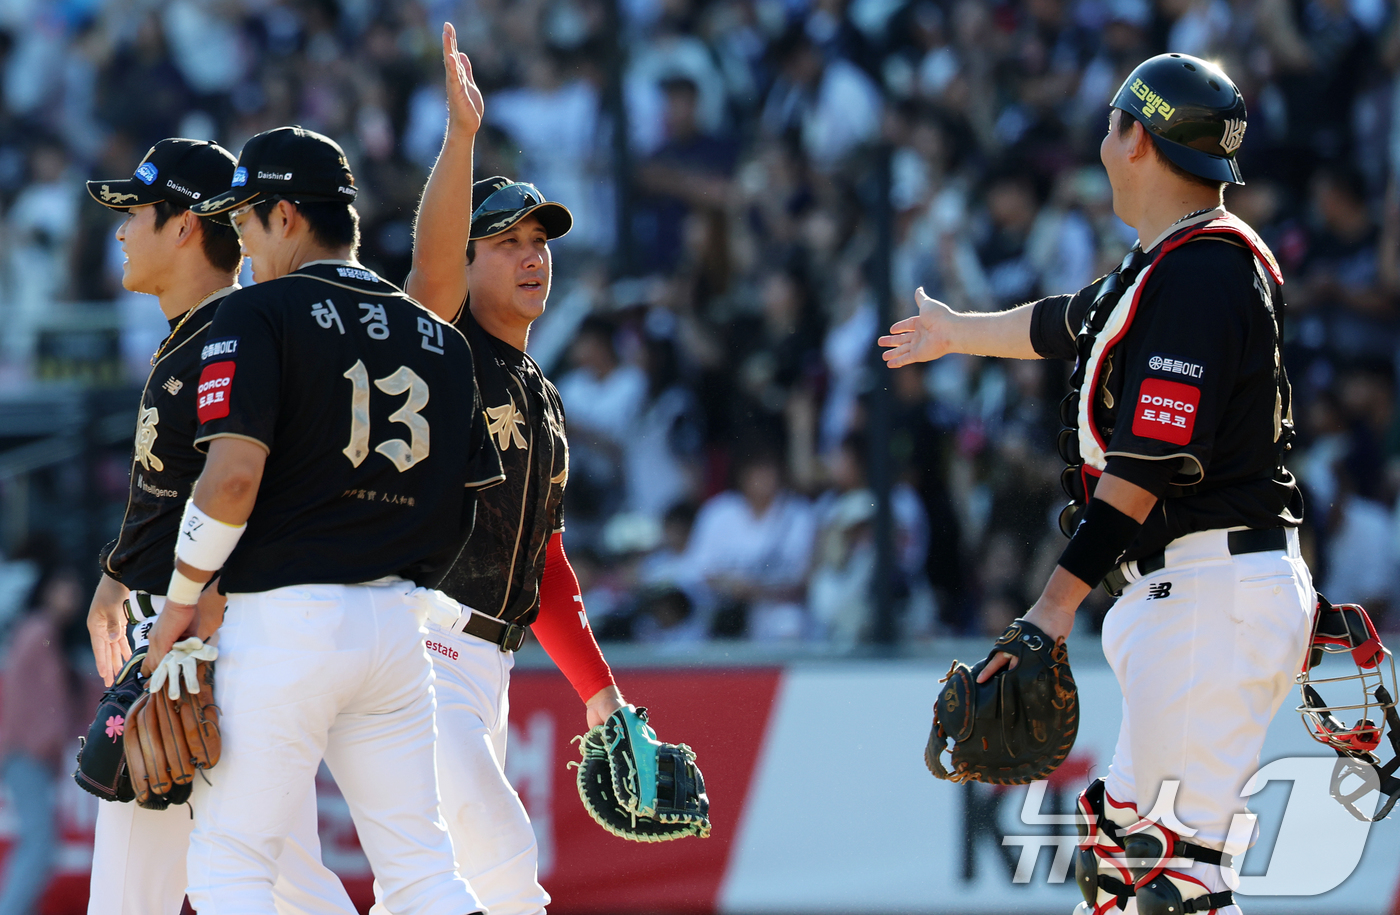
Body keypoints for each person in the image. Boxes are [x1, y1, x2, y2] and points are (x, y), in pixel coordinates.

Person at [880, 54, 1312, 915]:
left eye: (1113, 123)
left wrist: (1050, 608)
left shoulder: (1201, 271)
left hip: (1208, 592)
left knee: (1171, 879)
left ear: (1137, 139)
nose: (1103, 142)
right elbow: (1065, 321)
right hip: (1199, 593)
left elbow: (1144, 468)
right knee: (1120, 873)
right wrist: (957, 332)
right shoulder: (1175, 259)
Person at [164, 124, 502, 915]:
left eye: (245, 220)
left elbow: (232, 478)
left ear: (285, 215)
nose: (242, 242)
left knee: (229, 865)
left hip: (285, 619)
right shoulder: (440, 339)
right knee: (423, 873)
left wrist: (182, 597)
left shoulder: (258, 310)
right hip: (396, 624)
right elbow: (469, 503)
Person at [380, 23, 627, 915]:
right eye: (507, 242)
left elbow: (546, 564)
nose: (532, 256)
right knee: (506, 866)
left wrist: (599, 692)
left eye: (540, 241)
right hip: (423, 646)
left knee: (428, 888)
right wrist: (461, 139)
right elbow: (429, 268)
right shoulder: (442, 349)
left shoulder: (544, 398)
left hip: (488, 668)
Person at [81, 137, 358, 915]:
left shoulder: (235, 336)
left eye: (136, 212)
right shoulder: (203, 333)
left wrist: (198, 627)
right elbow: (176, 487)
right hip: (204, 638)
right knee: (289, 884)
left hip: (202, 643)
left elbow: (252, 491)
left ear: (183, 226)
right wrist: (117, 571)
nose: (121, 230)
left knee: (141, 896)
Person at [0, 567, 80, 915]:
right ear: (48, 590)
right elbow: (18, 690)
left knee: (38, 842)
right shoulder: (39, 630)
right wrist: (42, 742)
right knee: (39, 842)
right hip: (26, 753)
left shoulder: (48, 633)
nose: (73, 596)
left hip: (31, 754)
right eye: (66, 588)